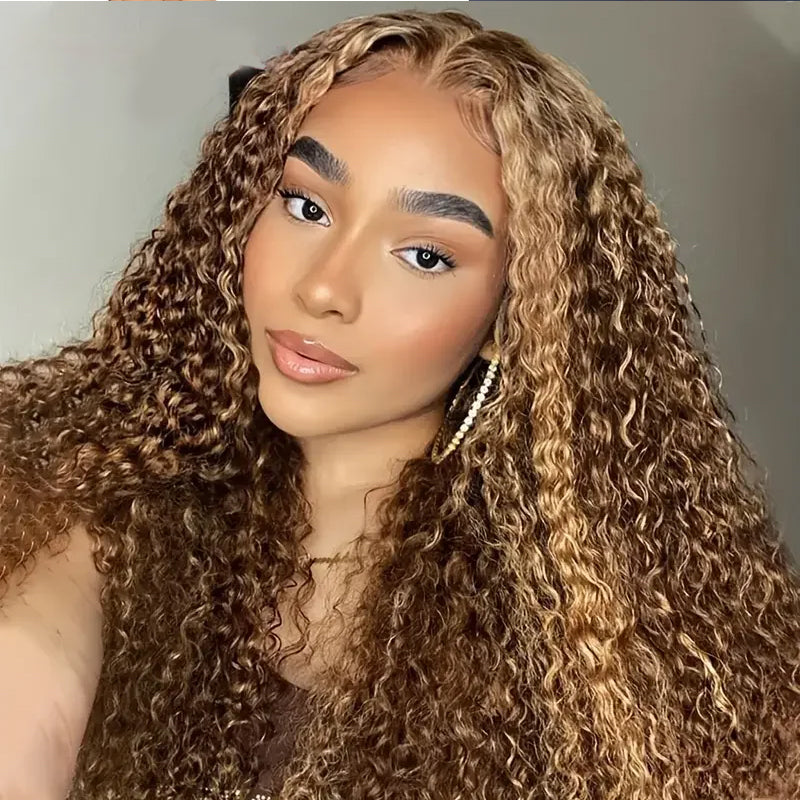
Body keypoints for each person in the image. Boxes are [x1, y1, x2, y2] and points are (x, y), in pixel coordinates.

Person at [1, 8, 798, 800]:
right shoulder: (96, 491)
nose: (324, 288)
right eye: (306, 206)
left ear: (514, 317)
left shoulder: (625, 665)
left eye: (424, 255)